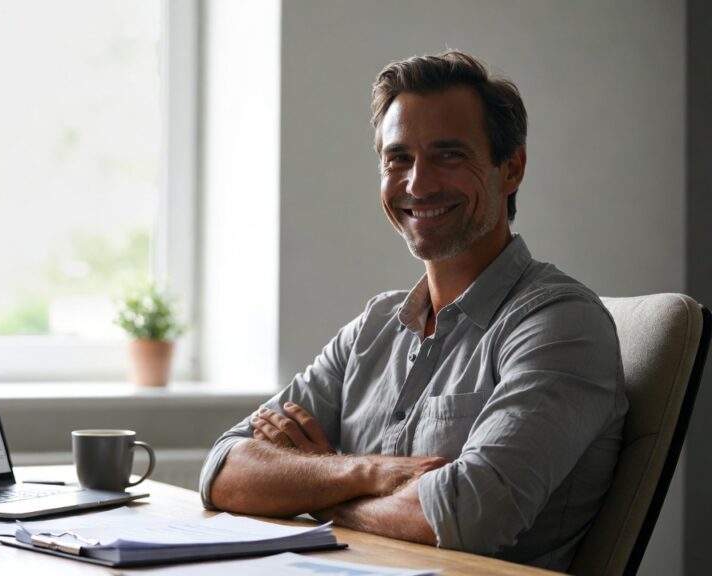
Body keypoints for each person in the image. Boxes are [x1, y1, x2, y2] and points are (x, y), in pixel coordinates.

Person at [198, 50, 628, 572]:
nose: (418, 184)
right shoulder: (373, 328)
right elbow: (224, 471)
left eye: (449, 155)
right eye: (398, 158)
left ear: (510, 168)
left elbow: (471, 514)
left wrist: (314, 483)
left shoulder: (560, 324)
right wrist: (374, 473)